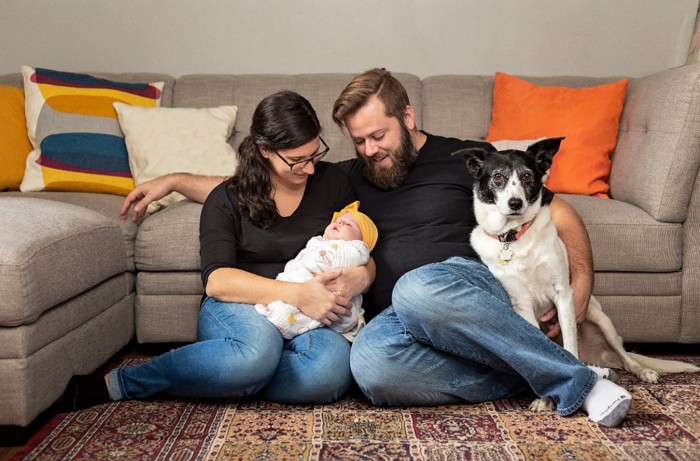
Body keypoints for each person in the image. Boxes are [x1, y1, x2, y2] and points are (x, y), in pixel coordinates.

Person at [119, 69, 632, 427]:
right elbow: (259, 185)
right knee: (369, 368)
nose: (369, 151)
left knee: (414, 286)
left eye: (378, 135)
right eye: (358, 140)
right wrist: (171, 180)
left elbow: (557, 211)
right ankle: (530, 372)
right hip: (396, 319)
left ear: (406, 117)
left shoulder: (468, 160)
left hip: (463, 289)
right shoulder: (344, 177)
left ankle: (576, 382)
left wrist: (580, 284)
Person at [59, 90, 373, 411]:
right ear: (265, 150)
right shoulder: (226, 199)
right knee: (255, 353)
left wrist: (360, 276)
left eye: (314, 154)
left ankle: (231, 375)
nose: (308, 168)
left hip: (311, 314)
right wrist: (297, 293)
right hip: (241, 306)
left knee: (328, 373)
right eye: (296, 160)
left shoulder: (333, 182)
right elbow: (218, 282)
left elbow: (362, 249)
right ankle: (127, 381)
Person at [256, 200, 378, 341]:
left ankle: (280, 320)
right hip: (294, 284)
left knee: (284, 315)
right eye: (338, 220)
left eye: (349, 224)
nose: (339, 223)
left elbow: (333, 260)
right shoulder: (318, 241)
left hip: (323, 293)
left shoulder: (354, 250)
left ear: (363, 241)